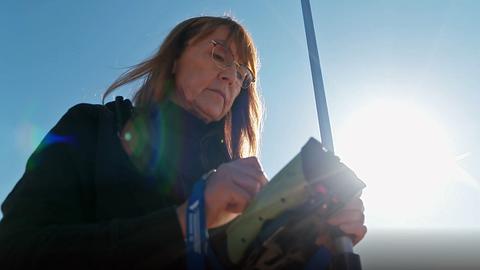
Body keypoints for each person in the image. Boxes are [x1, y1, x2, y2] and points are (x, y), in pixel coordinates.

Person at [0, 16, 366, 269]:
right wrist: (187, 220)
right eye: (219, 54)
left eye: (242, 74)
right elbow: (16, 250)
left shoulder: (238, 188)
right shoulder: (93, 127)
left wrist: (319, 248)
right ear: (175, 59)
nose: (229, 76)